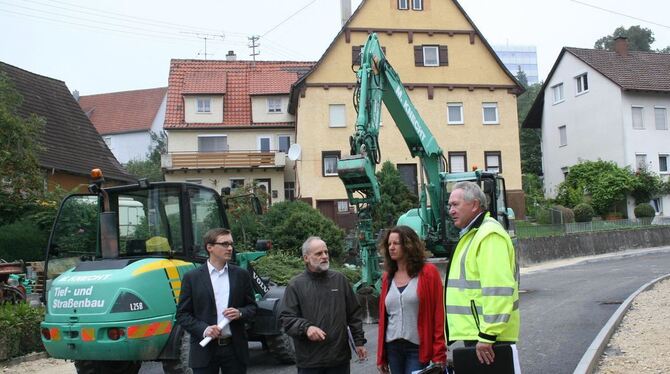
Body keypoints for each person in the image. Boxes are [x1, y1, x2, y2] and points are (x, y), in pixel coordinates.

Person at [446, 181, 520, 365]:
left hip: (488, 339)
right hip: (479, 335)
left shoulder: (488, 235)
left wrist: (488, 335)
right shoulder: (474, 234)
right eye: (449, 205)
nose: (450, 210)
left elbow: (498, 288)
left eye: (455, 204)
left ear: (474, 205)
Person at [280, 236, 368, 374]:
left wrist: (359, 342)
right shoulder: (295, 285)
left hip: (339, 359)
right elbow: (286, 319)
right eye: (318, 253)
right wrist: (306, 328)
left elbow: (354, 314)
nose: (325, 256)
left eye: (326, 252)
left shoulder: (339, 280)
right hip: (310, 362)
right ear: (306, 258)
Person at [176, 228, 258, 374]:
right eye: (225, 244)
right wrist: (204, 329)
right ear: (210, 247)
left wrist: (240, 313)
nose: (230, 248)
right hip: (204, 351)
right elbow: (182, 314)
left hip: (234, 349)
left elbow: (252, 307)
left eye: (231, 244)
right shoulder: (192, 278)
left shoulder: (241, 275)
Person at [376, 226, 447, 374]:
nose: (391, 247)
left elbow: (438, 316)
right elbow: (384, 320)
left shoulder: (428, 273)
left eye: (396, 243)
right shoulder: (387, 277)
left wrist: (439, 352)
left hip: (417, 348)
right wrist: (381, 357)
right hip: (392, 347)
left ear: (408, 245)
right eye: (389, 244)